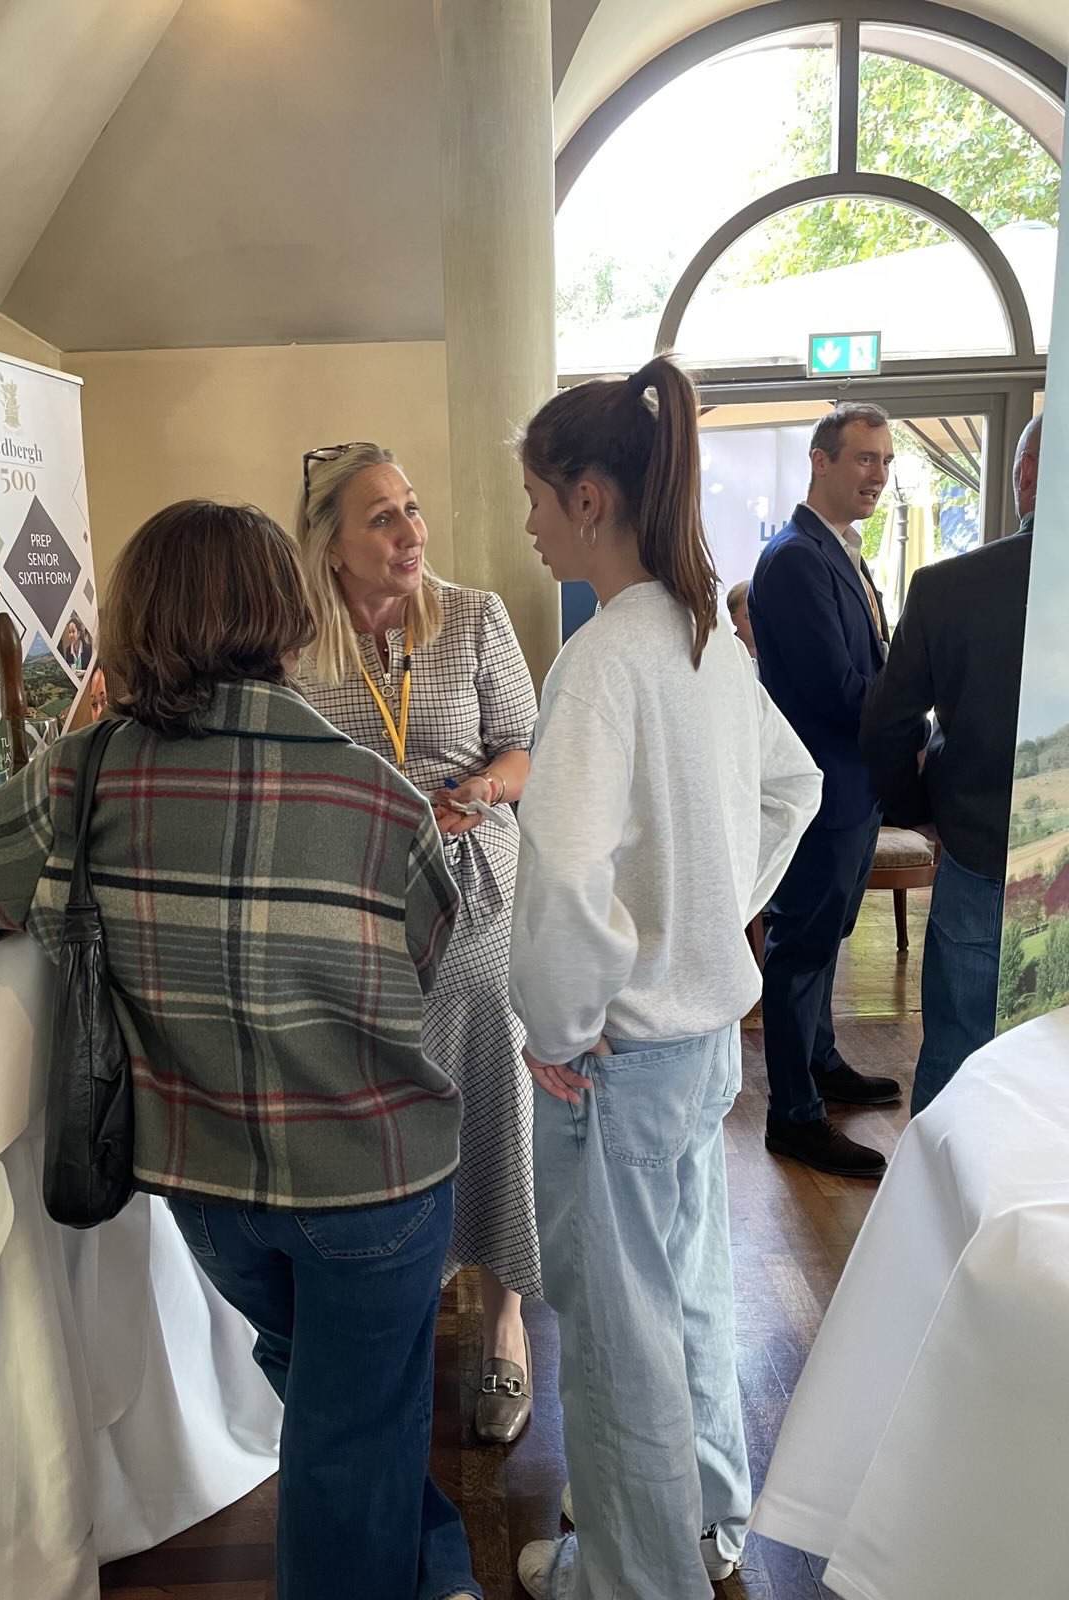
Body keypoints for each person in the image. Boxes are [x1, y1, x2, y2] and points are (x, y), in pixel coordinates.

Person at [0, 499, 482, 1600]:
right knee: (351, 1424)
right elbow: (429, 948)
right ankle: (423, 1570)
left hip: (204, 1183)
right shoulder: (380, 792)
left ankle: (440, 1567)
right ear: (282, 612)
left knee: (335, 1408)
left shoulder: (82, 774)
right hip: (375, 1179)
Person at [508, 356, 822, 1600]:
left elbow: (568, 879)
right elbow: (788, 791)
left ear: (590, 496)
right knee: (689, 1297)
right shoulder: (703, 644)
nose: (527, 521)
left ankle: (632, 1582)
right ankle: (705, 1527)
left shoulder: (602, 664)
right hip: (698, 1051)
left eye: (535, 495)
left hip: (617, 1061)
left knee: (625, 1337)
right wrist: (710, 920)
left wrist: (558, 1023)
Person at [293, 442, 541, 1444]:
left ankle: (504, 1313)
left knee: (485, 1034)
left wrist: (480, 789)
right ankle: (397, 1288)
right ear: (332, 544)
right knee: (368, 1092)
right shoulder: (295, 641)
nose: (410, 533)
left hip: (473, 877)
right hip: (355, 891)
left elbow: (528, 745)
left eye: (412, 508)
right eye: (382, 518)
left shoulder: (473, 615)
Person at [860, 413, 1042, 1114]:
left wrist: (916, 810)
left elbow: (887, 725)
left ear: (1025, 477)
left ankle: (943, 1221)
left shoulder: (949, 588)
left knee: (961, 1059)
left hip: (982, 856)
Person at [748, 404, 902, 1178]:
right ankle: (794, 1116)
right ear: (820, 460)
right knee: (799, 951)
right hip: (821, 789)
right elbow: (839, 691)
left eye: (884, 461)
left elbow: (866, 663)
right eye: (863, 459)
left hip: (854, 785)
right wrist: (911, 694)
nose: (877, 474)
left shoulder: (839, 550)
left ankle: (824, 1063)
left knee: (823, 944)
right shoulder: (797, 559)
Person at [725, 578, 757, 663]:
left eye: (760, 616)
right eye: (748, 617)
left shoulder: (777, 651)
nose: (756, 622)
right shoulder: (724, 654)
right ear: (733, 619)